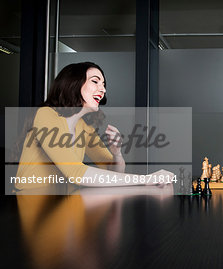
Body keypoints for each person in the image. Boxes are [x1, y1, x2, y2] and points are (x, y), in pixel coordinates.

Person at [15, 62, 172, 190]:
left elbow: (114, 173)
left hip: (62, 204)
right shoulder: (46, 114)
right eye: (95, 81)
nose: (103, 90)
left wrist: (117, 154)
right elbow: (76, 173)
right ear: (73, 84)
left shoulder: (83, 126)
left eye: (103, 84)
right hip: (29, 203)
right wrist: (146, 179)